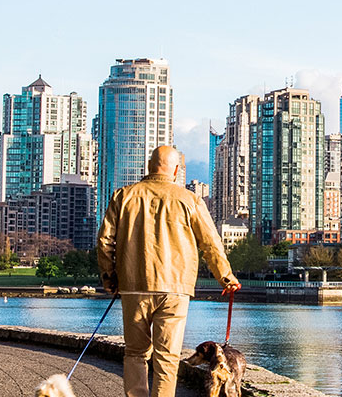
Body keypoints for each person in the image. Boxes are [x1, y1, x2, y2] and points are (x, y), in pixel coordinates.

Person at [97, 146, 241, 397]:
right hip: (176, 287)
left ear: (149, 166)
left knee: (135, 353)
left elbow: (105, 241)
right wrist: (226, 277)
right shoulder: (190, 199)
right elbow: (210, 243)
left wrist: (110, 277)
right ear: (176, 170)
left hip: (134, 284)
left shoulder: (124, 196)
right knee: (167, 356)